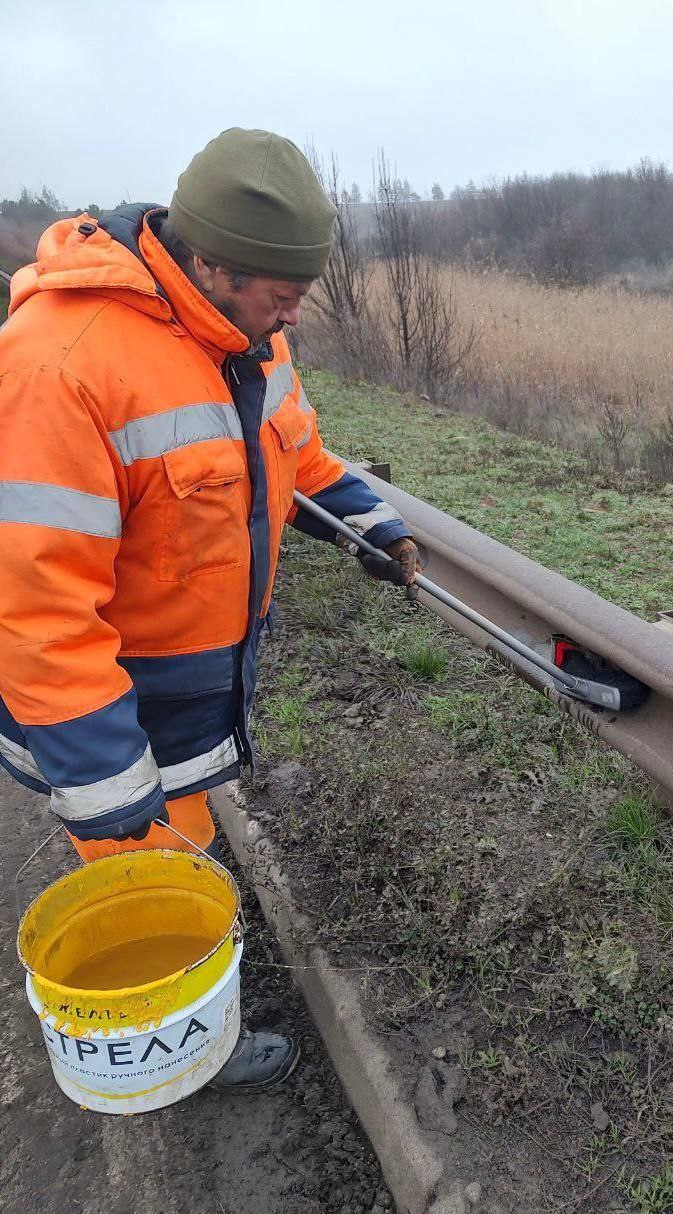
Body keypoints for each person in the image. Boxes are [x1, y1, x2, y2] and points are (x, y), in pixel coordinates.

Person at [0, 128, 421, 1093]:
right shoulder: (57, 366)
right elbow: (34, 609)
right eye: (282, 290)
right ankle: (176, 1050)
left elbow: (298, 462)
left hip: (195, 687)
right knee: (138, 878)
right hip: (112, 713)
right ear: (209, 260)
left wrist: (372, 525)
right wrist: (107, 785)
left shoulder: (249, 339)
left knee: (175, 842)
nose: (296, 312)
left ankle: (172, 946)